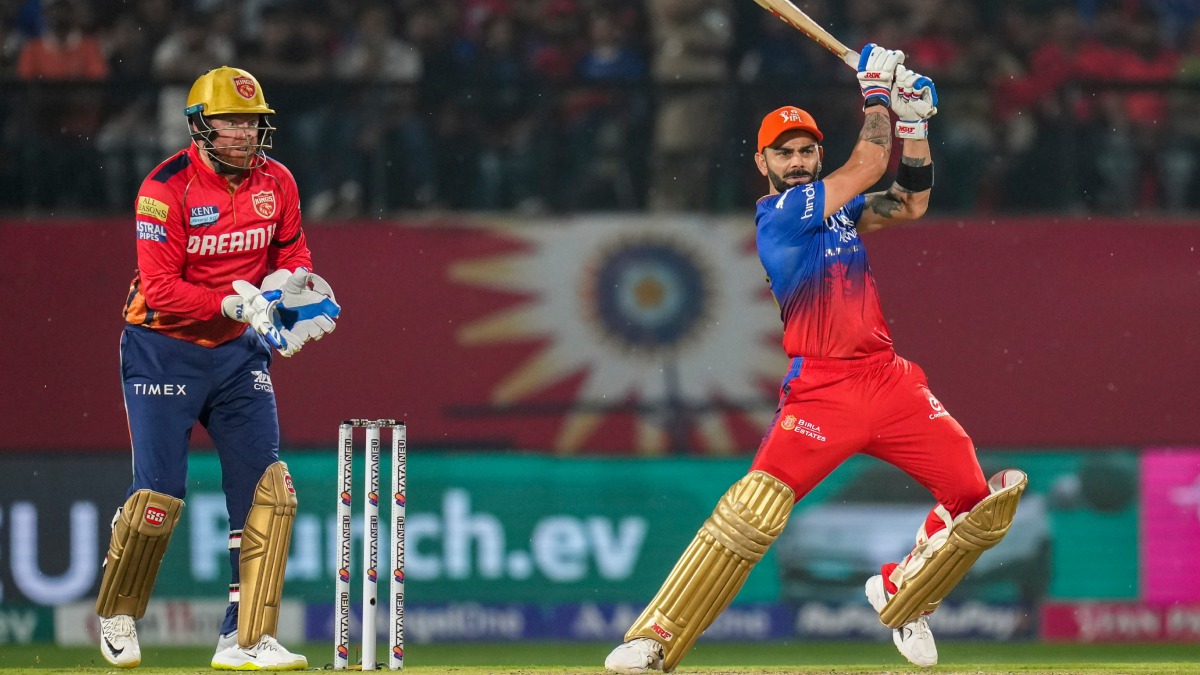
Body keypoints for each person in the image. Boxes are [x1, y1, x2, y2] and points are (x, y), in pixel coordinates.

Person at [604, 45, 1027, 673]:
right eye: (785, 154)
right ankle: (655, 638)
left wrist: (915, 127)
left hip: (889, 381)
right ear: (763, 164)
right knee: (751, 514)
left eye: (806, 151)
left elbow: (909, 200)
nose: (798, 162)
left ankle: (904, 594)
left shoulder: (840, 211)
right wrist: (877, 93)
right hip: (822, 393)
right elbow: (869, 162)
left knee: (976, 504)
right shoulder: (779, 217)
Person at [94, 66, 340, 670]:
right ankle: (118, 611)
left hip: (237, 353)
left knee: (266, 493)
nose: (244, 134)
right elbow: (159, 288)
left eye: (252, 123)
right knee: (158, 494)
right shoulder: (164, 188)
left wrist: (289, 288)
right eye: (230, 122)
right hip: (162, 346)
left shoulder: (278, 180)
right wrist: (231, 303)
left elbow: (293, 250)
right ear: (200, 126)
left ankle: (245, 638)